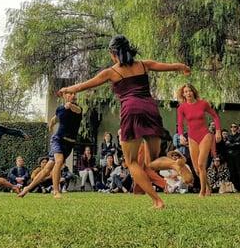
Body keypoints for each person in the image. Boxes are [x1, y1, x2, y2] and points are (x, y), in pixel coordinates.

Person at [55, 35, 193, 209]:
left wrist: (68, 88)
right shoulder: (143, 64)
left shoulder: (112, 72)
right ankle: (175, 164)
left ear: (113, 53)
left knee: (132, 162)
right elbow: (167, 66)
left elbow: (87, 85)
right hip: (150, 108)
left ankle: (157, 201)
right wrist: (183, 67)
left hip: (131, 110)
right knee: (154, 160)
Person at [18, 92, 82, 199]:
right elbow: (55, 119)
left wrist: (70, 106)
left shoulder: (78, 108)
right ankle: (56, 191)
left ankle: (27, 188)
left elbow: (77, 110)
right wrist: (51, 127)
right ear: (65, 96)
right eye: (70, 94)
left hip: (70, 143)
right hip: (58, 140)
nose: (73, 95)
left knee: (47, 169)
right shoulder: (60, 109)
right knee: (59, 161)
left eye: (74, 93)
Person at [177, 83, 222, 197]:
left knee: (201, 164)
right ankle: (208, 187)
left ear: (194, 92)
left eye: (190, 91)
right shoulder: (182, 108)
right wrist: (181, 135)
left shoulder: (203, 103)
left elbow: (215, 116)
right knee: (197, 169)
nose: (188, 93)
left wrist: (217, 131)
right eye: (186, 91)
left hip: (205, 136)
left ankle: (202, 192)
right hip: (192, 138)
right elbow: (180, 124)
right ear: (183, 94)